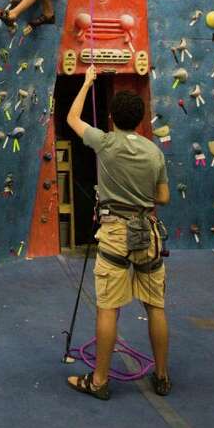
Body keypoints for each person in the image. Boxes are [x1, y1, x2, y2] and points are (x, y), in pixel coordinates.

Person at [64, 65, 171, 400]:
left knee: (108, 307)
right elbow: (164, 197)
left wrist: (86, 83)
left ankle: (99, 382)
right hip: (147, 230)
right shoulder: (154, 152)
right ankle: (163, 376)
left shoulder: (105, 142)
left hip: (114, 231)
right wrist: (140, 195)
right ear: (140, 119)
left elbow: (72, 119)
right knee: (155, 305)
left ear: (111, 116)